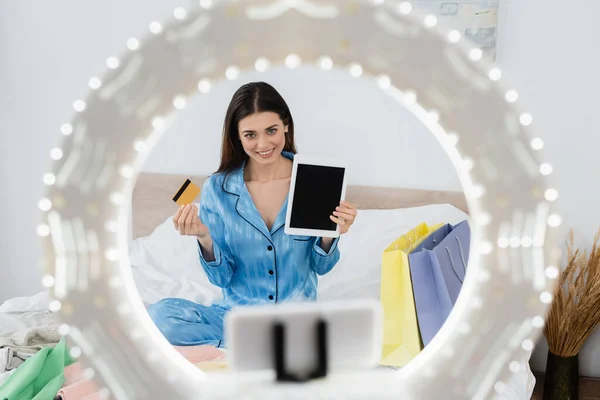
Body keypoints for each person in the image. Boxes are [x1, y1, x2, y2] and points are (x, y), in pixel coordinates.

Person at [147, 82, 358, 347]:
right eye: (250, 135)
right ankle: (247, 344)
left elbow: (322, 267)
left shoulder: (316, 179)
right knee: (159, 317)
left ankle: (257, 347)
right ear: (237, 136)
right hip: (238, 319)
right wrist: (204, 238)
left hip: (297, 322)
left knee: (354, 335)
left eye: (271, 131)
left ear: (286, 126)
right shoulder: (218, 188)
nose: (263, 144)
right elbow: (220, 278)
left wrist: (332, 235)